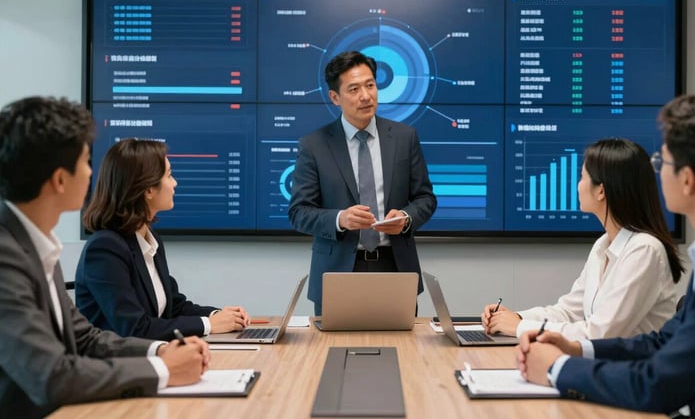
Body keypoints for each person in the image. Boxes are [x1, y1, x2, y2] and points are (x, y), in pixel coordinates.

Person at [517, 95, 695, 419]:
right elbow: (665, 341)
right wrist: (576, 349)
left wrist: (557, 368)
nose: (657, 173)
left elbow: (659, 384)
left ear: (688, 179)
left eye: (662, 162)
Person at [0, 97, 210, 418]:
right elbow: (52, 377)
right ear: (59, 179)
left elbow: (86, 338)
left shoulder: (35, 246)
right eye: (86, 162)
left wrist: (162, 349)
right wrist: (162, 371)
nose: (91, 174)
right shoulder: (6, 258)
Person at [481, 138, 684, 340]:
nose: (578, 185)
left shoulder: (644, 250)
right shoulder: (603, 245)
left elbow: (600, 333)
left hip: (631, 369)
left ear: (601, 190)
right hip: (604, 365)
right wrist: (514, 318)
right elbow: (569, 312)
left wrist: (519, 327)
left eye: (582, 177)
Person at [288, 51, 437, 315]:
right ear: (335, 97)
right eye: (354, 89)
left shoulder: (404, 138)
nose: (366, 96)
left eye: (370, 85)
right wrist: (340, 219)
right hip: (337, 272)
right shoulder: (314, 145)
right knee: (331, 353)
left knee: (404, 352)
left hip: (395, 267)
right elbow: (299, 212)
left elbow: (426, 199)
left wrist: (406, 218)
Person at [76, 138, 250, 341]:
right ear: (148, 190)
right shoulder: (105, 249)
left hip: (152, 358)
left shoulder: (149, 239)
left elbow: (173, 306)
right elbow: (135, 328)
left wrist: (219, 316)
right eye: (169, 175)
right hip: (118, 366)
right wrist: (209, 325)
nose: (175, 183)